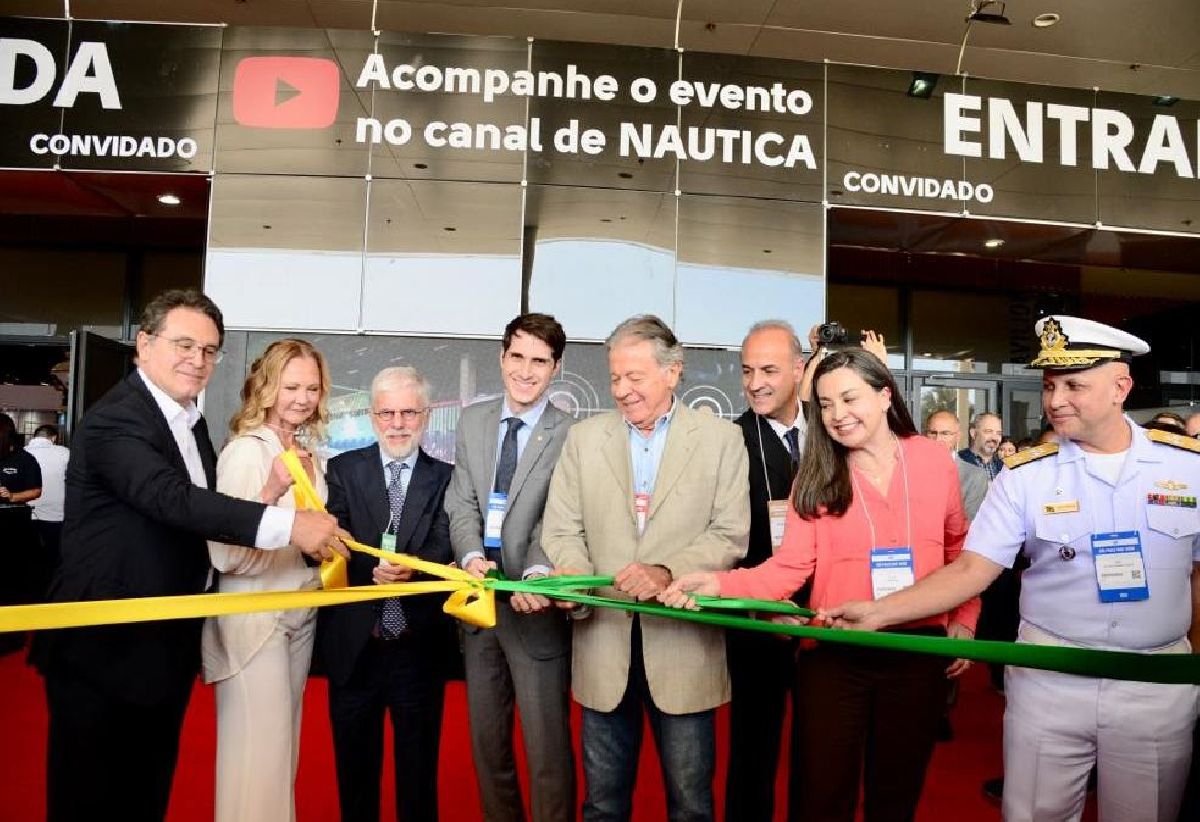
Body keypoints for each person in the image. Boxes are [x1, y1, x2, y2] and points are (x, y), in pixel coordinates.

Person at [825, 315, 1200, 822]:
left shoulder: (1187, 467)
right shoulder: (1026, 476)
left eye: (1074, 385)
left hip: (1155, 682)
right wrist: (879, 612)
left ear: (1121, 387)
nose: (1055, 400)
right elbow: (971, 569)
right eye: (1048, 385)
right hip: (1051, 678)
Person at [31, 289, 345, 822]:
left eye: (208, 350)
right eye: (183, 345)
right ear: (145, 345)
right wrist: (291, 523)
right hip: (103, 646)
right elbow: (174, 501)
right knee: (89, 797)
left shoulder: (191, 423)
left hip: (162, 647)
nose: (196, 361)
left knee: (146, 791)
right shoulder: (118, 419)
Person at [662, 347, 979, 822]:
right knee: (820, 798)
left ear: (883, 394)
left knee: (895, 797)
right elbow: (788, 569)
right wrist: (719, 583)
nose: (837, 415)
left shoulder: (933, 461)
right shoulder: (816, 474)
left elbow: (960, 550)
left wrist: (965, 620)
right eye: (825, 404)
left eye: (849, 399)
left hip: (918, 651)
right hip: (834, 653)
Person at [542, 314, 750, 822]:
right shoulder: (584, 439)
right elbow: (562, 530)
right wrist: (572, 579)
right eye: (615, 377)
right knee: (602, 805)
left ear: (673, 372)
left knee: (691, 805)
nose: (622, 390)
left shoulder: (721, 439)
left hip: (683, 651)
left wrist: (664, 569)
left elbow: (730, 534)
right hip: (603, 646)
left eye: (635, 377)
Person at [444, 313, 576, 822]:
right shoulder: (473, 421)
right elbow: (462, 503)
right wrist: (472, 555)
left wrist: (540, 572)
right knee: (488, 749)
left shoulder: (570, 434)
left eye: (539, 361)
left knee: (547, 756)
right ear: (501, 358)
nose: (526, 370)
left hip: (535, 609)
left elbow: (563, 515)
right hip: (480, 610)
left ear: (555, 368)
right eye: (517, 357)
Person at [315, 366, 456, 822]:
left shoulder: (447, 478)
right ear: (372, 416)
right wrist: (367, 569)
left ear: (427, 415)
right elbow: (331, 539)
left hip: (418, 647)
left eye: (409, 412)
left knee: (418, 779)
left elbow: (445, 539)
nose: (398, 422)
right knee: (355, 777)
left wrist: (412, 571)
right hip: (356, 647)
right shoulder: (342, 470)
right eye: (387, 412)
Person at [201, 339, 332, 822]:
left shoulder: (305, 451)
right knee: (257, 757)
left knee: (280, 755)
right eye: (291, 385)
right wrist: (274, 489)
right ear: (266, 387)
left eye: (312, 388)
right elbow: (225, 554)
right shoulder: (244, 452)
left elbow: (304, 536)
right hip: (253, 620)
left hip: (298, 614)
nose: (302, 398)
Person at [726, 319, 807, 822]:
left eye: (770, 370)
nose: (756, 382)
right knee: (753, 753)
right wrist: (763, 609)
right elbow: (726, 544)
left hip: (829, 617)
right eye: (747, 370)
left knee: (823, 755)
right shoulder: (730, 440)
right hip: (759, 620)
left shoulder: (832, 428)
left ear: (800, 370)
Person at [0, 412, 42, 654]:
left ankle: (11, 636)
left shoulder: (24, 459)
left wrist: (12, 496)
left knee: (11, 581)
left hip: (13, 528)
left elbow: (36, 490)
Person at [26, 423, 67, 600]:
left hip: (27, 514)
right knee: (54, 558)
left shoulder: (22, 453)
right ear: (54, 438)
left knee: (30, 557)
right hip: (56, 515)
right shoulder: (65, 453)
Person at [923, 410, 988, 521]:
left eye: (945, 433)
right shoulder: (910, 471)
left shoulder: (974, 476)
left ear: (958, 437)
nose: (938, 439)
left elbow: (967, 522)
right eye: (933, 433)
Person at [959, 412, 1005, 480]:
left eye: (999, 433)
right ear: (973, 433)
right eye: (989, 431)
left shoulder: (1004, 466)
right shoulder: (958, 463)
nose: (994, 438)